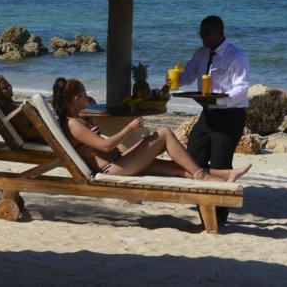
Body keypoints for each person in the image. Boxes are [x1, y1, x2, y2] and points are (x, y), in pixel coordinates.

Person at [51, 77, 250, 182]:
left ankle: (224, 175)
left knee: (179, 170)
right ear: (77, 99)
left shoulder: (77, 119)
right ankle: (202, 175)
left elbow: (101, 145)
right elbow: (105, 146)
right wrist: (129, 128)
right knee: (163, 132)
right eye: (84, 95)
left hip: (119, 160)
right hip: (114, 168)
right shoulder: (73, 124)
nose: (88, 99)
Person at [177, 15, 249, 227]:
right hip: (207, 114)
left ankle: (218, 217)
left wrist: (220, 99)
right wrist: (175, 79)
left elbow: (241, 88)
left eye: (207, 33)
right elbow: (188, 76)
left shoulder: (236, 56)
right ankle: (204, 208)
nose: (203, 38)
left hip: (230, 115)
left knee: (220, 163)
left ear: (219, 32)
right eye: (201, 34)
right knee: (193, 159)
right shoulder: (201, 54)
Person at [0, 74, 45, 143]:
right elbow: (28, 132)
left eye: (9, 85)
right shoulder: (12, 109)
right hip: (41, 140)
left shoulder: (12, 106)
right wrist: (48, 127)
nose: (9, 88)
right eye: (5, 88)